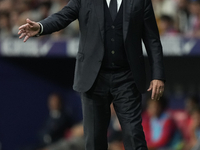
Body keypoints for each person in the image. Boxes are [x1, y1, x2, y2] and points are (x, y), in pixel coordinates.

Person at [18, 0, 165, 149]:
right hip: (93, 79)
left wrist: (158, 75)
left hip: (127, 77)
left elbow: (152, 39)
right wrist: (41, 27)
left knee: (134, 134)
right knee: (94, 139)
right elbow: (62, 16)